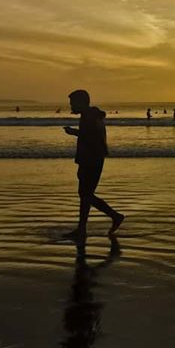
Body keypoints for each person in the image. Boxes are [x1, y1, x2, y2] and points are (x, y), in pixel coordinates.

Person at [63, 89, 123, 239]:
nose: (71, 107)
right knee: (85, 195)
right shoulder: (90, 115)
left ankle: (114, 216)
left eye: (72, 104)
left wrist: (74, 133)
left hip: (92, 159)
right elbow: (90, 135)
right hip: (92, 158)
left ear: (81, 103)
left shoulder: (89, 116)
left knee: (86, 195)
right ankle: (82, 228)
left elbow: (90, 136)